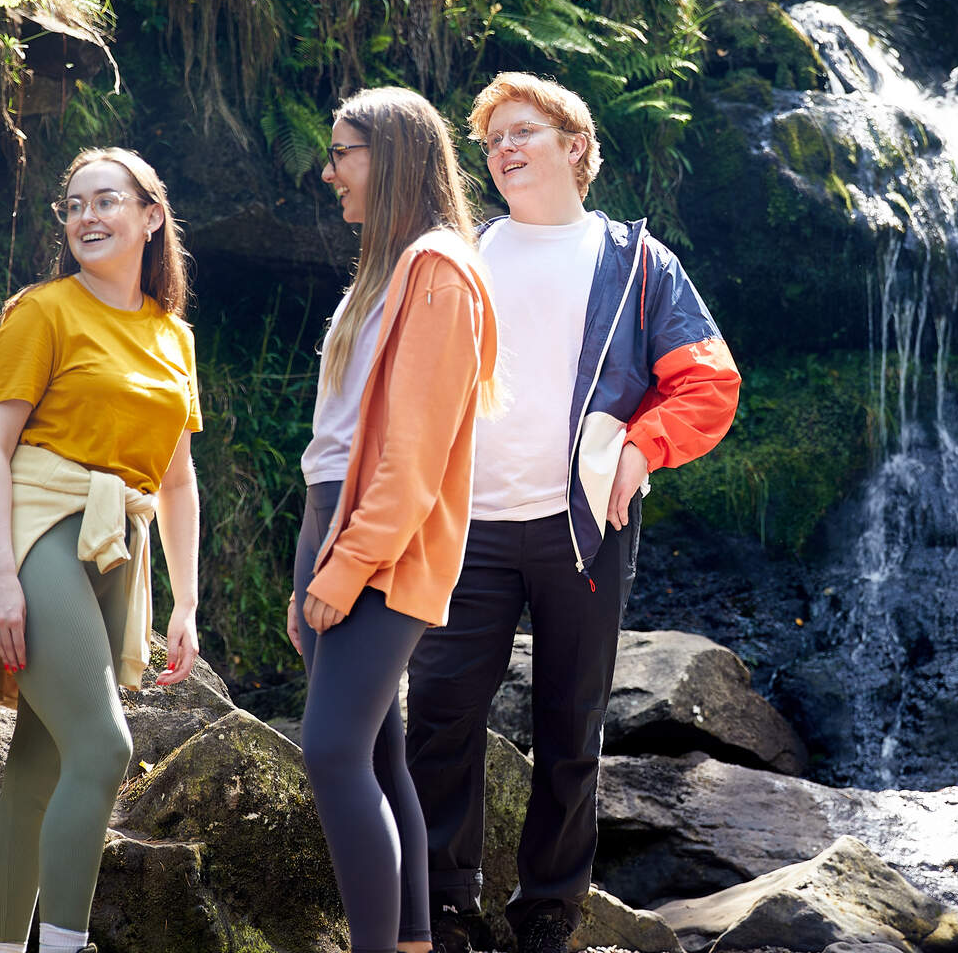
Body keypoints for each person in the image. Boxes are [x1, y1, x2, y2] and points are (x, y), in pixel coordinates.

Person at [407, 72, 741, 953]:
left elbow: (708, 381)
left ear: (575, 148)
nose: (504, 150)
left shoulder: (636, 261)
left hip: (583, 527)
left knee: (569, 723)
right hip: (465, 525)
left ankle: (549, 911)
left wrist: (640, 450)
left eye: (523, 133)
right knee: (438, 710)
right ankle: (444, 905)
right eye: (492, 141)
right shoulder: (461, 254)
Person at [0, 147, 204, 953]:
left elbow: (174, 480)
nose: (87, 217)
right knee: (103, 747)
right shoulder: (42, 310)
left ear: (151, 215)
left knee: (39, 766)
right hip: (42, 527)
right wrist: (1, 576)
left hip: (117, 544)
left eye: (106, 201)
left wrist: (186, 603)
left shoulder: (173, 336)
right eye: (73, 205)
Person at [290, 86, 502, 953]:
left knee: (331, 754)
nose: (329, 170)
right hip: (333, 523)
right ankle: (412, 942)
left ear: (395, 155)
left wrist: (345, 567)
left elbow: (410, 453)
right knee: (377, 757)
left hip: (382, 544)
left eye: (343, 152)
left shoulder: (439, 272)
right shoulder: (382, 273)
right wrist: (312, 559)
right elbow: (336, 444)